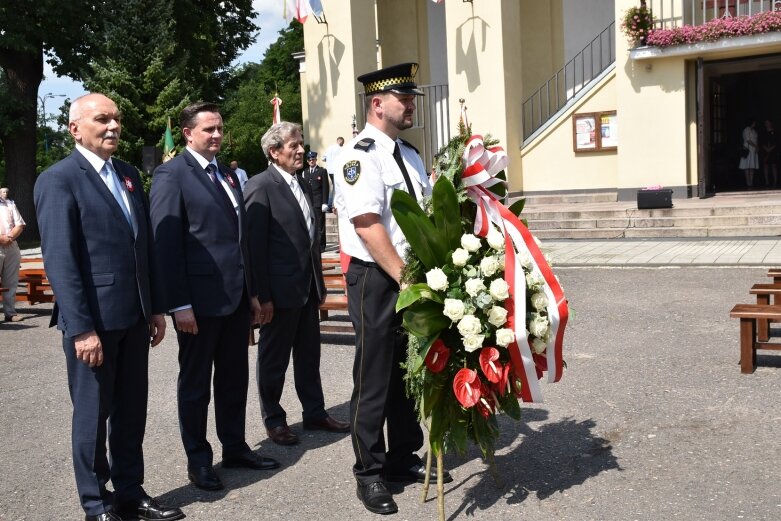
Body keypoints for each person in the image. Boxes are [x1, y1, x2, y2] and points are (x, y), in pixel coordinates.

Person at [34, 93, 184, 521]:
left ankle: (130, 494)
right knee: (92, 416)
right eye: (102, 119)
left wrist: (153, 307)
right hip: (93, 323)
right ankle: (96, 504)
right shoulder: (58, 179)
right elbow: (61, 261)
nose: (114, 126)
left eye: (117, 118)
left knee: (131, 412)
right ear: (75, 128)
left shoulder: (128, 173)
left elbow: (143, 246)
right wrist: (81, 329)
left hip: (133, 318)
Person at [334, 62, 452, 516]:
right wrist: (405, 279)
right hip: (378, 280)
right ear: (377, 104)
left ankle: (403, 456)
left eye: (413, 98)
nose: (411, 105)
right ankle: (369, 472)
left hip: (411, 274)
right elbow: (367, 226)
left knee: (410, 370)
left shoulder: (411, 154)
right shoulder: (359, 156)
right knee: (375, 375)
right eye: (405, 99)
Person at [150, 102, 279, 492]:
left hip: (234, 298)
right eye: (209, 129)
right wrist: (179, 304)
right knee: (195, 384)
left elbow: (239, 240)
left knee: (233, 378)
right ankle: (199, 460)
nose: (217, 135)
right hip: (198, 303)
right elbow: (165, 244)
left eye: (220, 128)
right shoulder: (171, 174)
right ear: (188, 133)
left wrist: (252, 293)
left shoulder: (227, 174)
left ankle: (235, 446)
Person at [244, 122, 349, 447]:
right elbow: (253, 247)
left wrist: (318, 287)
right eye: (293, 145)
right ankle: (274, 420)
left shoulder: (302, 184)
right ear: (274, 152)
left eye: (301, 143)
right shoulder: (261, 186)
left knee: (308, 357)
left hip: (306, 291)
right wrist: (261, 296)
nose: (301, 150)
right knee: (273, 360)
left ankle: (314, 412)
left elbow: (308, 242)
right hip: (278, 294)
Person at [0, 187, 25, 322]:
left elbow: (19, 224)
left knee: (11, 281)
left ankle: (10, 313)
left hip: (11, 245)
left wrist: (9, 238)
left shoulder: (9, 203)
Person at [302, 150, 330, 251]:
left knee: (320, 225)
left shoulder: (322, 171)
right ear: (307, 161)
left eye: (313, 159)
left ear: (316, 159)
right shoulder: (305, 172)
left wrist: (325, 202)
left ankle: (321, 245)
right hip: (309, 202)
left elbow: (325, 187)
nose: (311, 161)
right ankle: (313, 243)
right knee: (311, 223)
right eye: (309, 159)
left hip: (319, 202)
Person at [324, 136, 344, 209]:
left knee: (333, 187)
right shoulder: (340, 149)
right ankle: (331, 204)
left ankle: (330, 204)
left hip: (330, 170)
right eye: (342, 143)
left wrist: (330, 161)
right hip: (337, 170)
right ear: (340, 141)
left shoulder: (329, 148)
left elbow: (323, 158)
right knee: (336, 188)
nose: (342, 144)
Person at [739, 118, 759, 188]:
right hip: (748, 149)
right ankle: (748, 182)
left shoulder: (754, 131)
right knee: (747, 166)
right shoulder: (746, 130)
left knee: (752, 167)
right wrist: (756, 146)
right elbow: (747, 140)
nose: (755, 124)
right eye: (754, 123)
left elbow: (756, 139)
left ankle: (751, 181)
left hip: (753, 150)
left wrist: (756, 147)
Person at [761, 119, 778, 187]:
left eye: (768, 122)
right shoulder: (763, 132)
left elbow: (777, 142)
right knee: (765, 166)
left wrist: (770, 148)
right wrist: (766, 149)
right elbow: (761, 142)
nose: (766, 124)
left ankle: (775, 181)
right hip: (765, 151)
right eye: (765, 123)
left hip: (773, 151)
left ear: (771, 123)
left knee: (774, 166)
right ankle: (766, 181)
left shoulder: (775, 132)